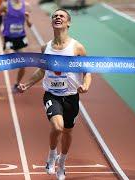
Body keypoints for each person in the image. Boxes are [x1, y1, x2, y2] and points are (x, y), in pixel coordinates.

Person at [17, 9, 92, 180]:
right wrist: (27, 85)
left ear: (68, 23)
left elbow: (87, 72)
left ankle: (62, 163)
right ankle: (51, 155)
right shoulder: (46, 48)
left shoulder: (77, 47)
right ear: (52, 23)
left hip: (71, 97)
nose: (57, 17)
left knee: (67, 132)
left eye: (61, 16)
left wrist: (85, 85)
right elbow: (42, 71)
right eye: (55, 16)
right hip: (52, 95)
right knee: (57, 127)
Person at [0, 0, 32, 92]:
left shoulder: (26, 6)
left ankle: (17, 83)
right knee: (11, 57)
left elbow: (30, 25)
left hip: (20, 38)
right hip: (9, 37)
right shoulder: (5, 5)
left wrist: (27, 18)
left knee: (23, 65)